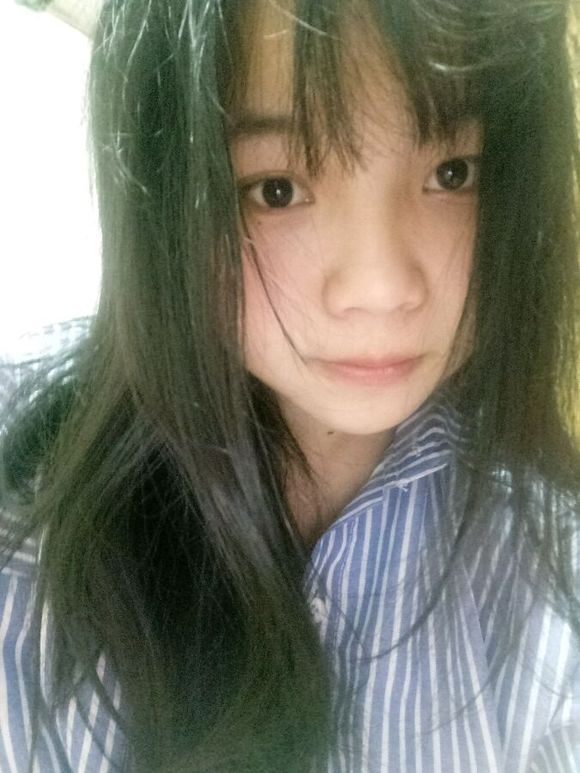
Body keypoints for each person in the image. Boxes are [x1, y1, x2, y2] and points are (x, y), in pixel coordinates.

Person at [1, 0, 580, 770]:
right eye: (276, 188)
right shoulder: (31, 532)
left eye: (453, 173)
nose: (381, 288)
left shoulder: (545, 572)